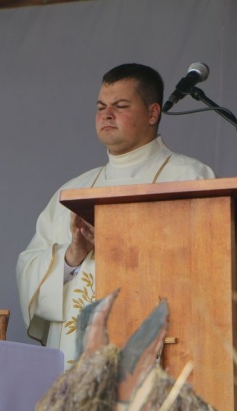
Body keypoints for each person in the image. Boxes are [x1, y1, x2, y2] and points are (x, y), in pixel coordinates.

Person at [16, 63, 215, 370]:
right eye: (101, 107)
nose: (106, 115)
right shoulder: (72, 191)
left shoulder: (190, 178)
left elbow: (210, 268)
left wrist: (120, 248)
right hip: (80, 371)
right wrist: (71, 257)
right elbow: (29, 269)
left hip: (158, 364)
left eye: (120, 106)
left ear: (152, 113)